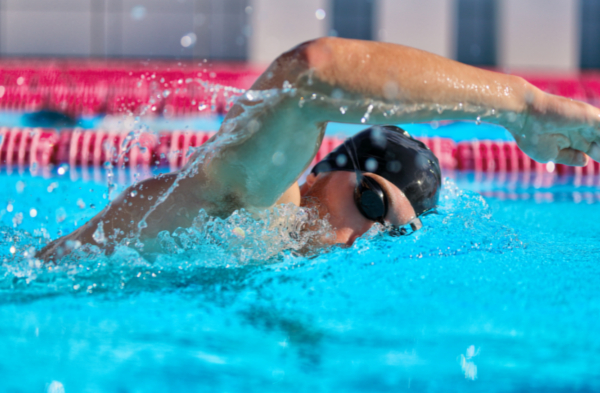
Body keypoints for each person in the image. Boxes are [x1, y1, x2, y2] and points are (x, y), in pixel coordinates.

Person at [37, 37, 600, 261]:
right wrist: (518, 105)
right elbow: (312, 73)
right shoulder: (260, 200)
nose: (362, 235)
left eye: (389, 230)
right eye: (372, 204)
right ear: (325, 170)